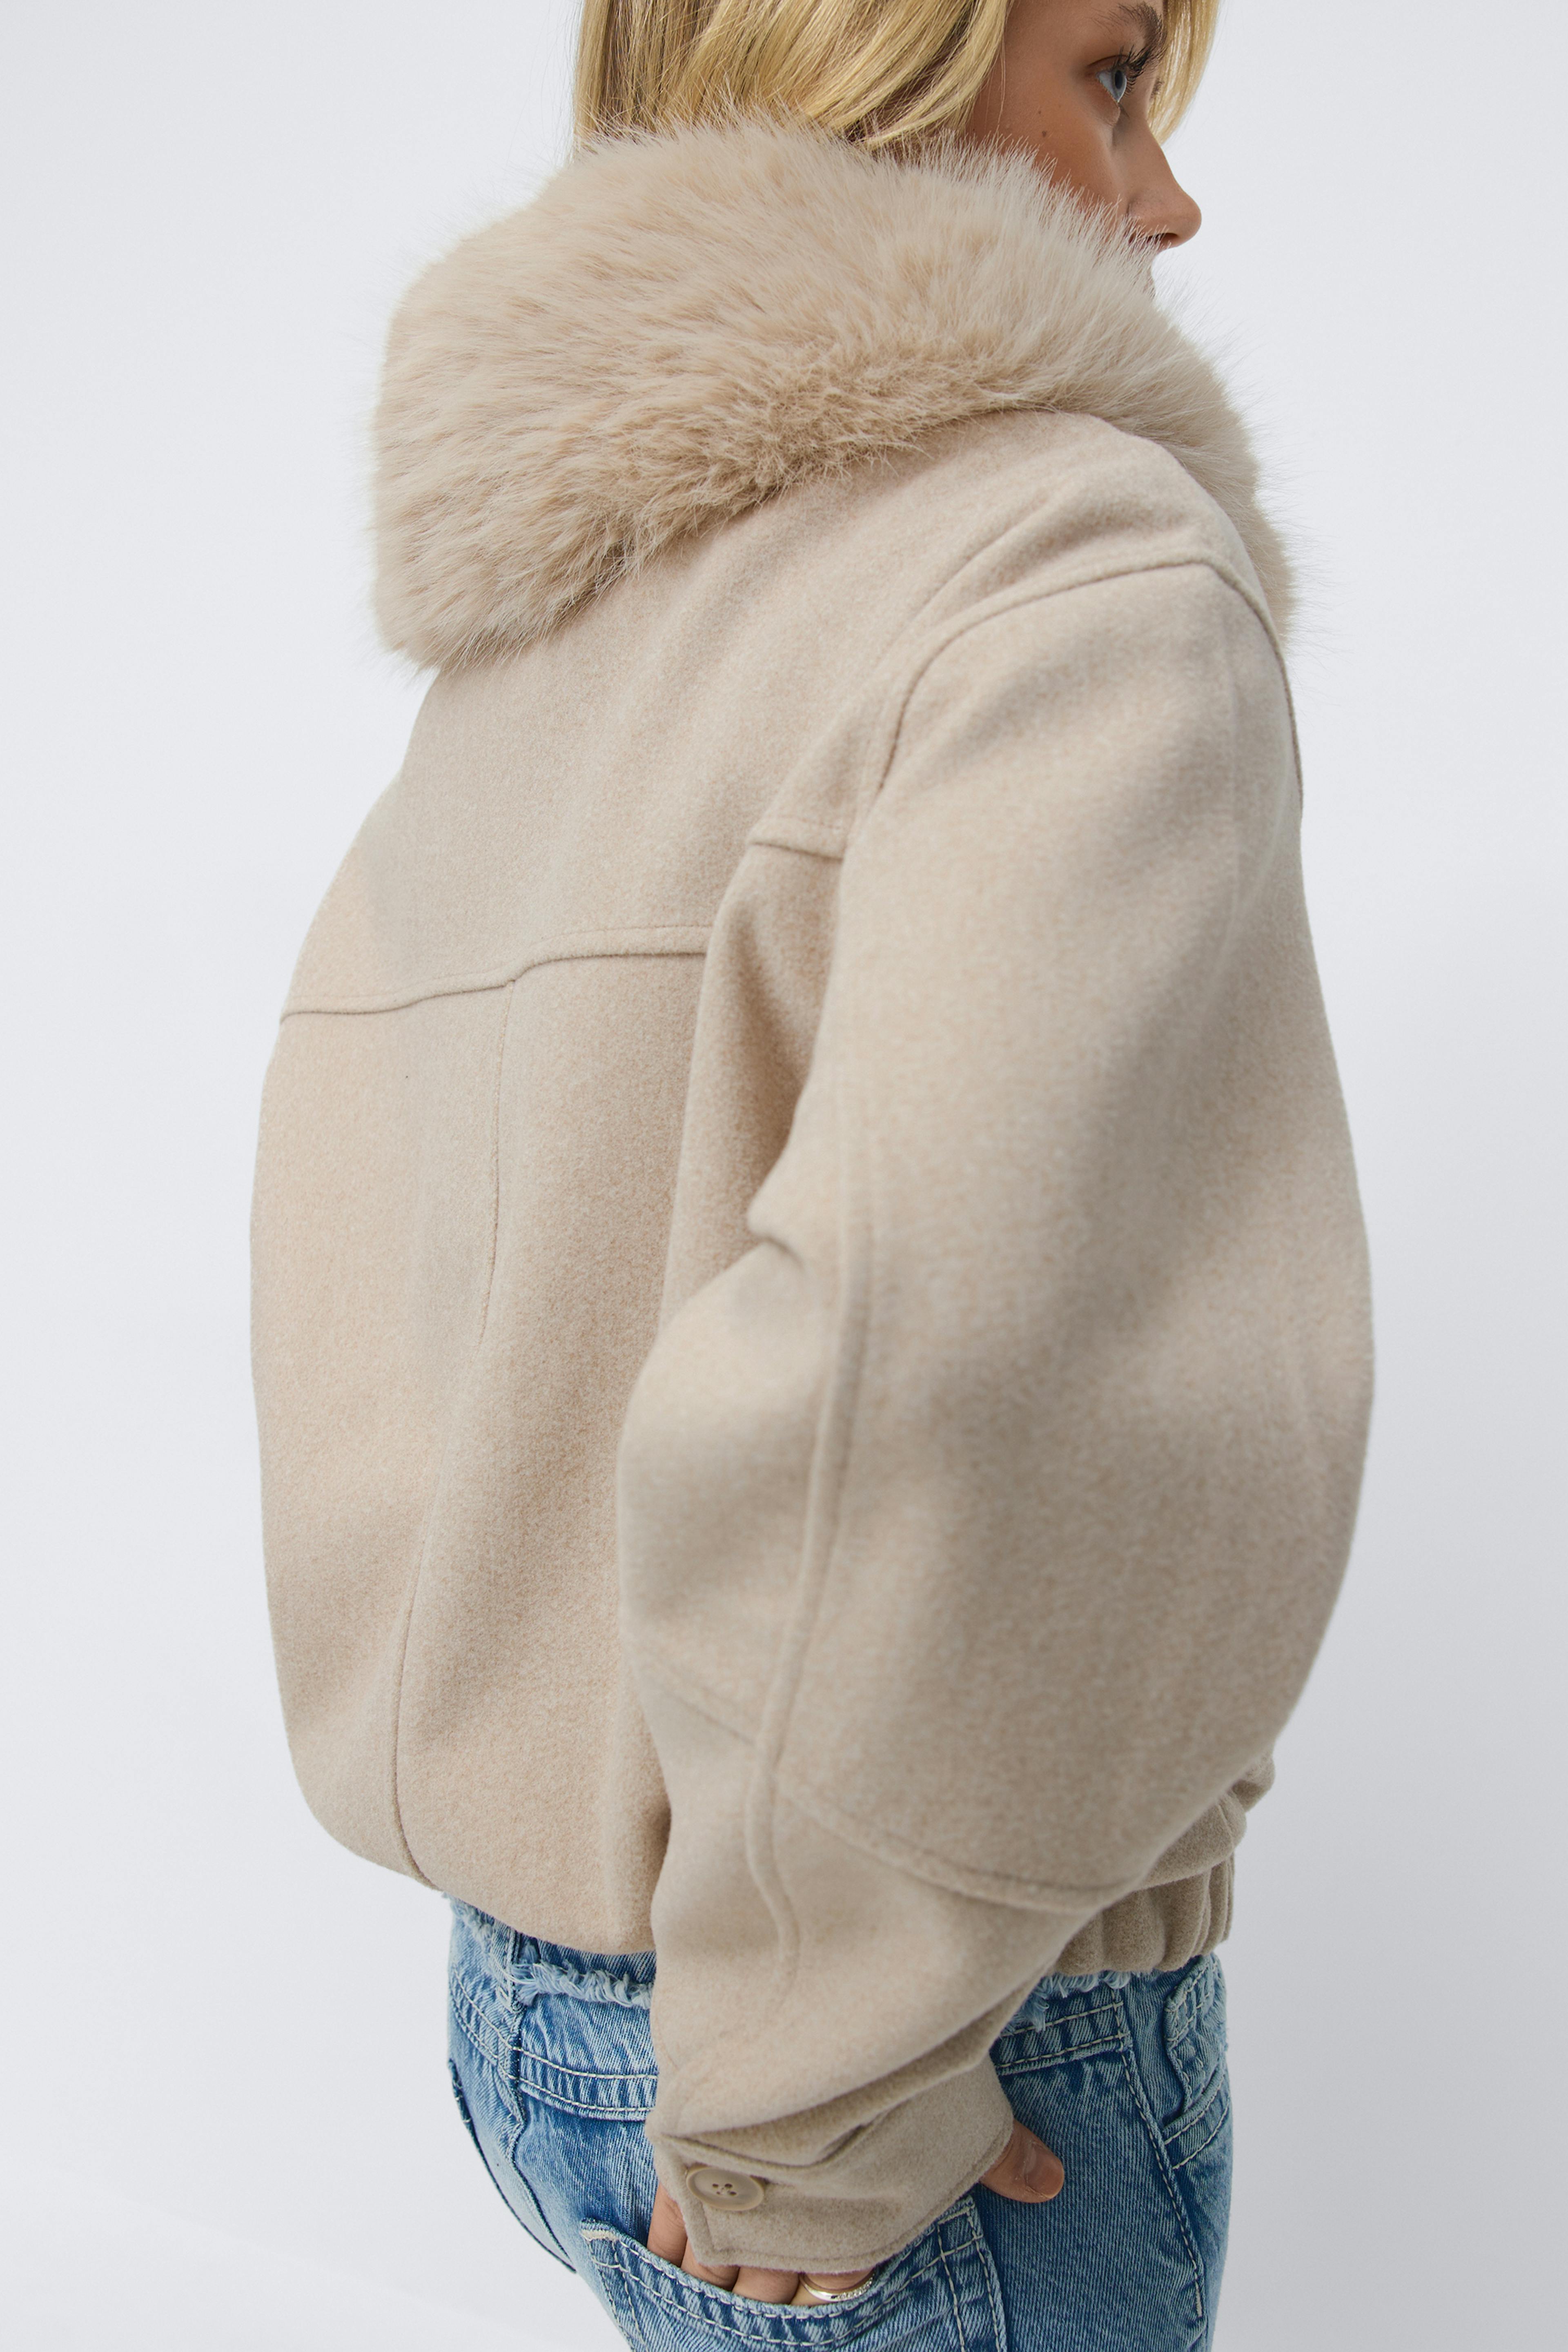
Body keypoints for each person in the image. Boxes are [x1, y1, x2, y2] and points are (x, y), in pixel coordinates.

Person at [251, 1, 1373, 2343]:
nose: (1167, 201)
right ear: (879, 54)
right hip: (899, 2076)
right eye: (1114, 76)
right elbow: (949, 1360)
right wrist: (813, 2085)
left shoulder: (559, 614)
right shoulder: (1068, 567)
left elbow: (371, 1291)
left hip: (541, 2016)